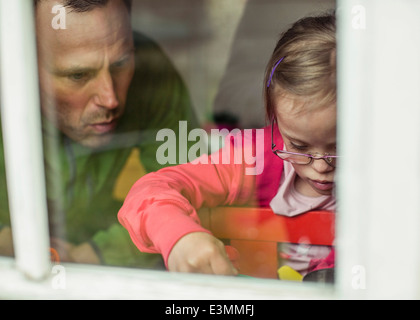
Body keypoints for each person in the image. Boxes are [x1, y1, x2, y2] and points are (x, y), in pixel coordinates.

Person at [118, 13, 337, 277]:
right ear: (275, 120)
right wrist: (178, 238)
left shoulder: (384, 179)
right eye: (299, 146)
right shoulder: (256, 158)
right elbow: (150, 191)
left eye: (339, 146)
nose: (321, 165)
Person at [0, 0, 199, 268]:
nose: (110, 98)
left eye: (121, 64)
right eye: (78, 74)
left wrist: (95, 253)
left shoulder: (150, 69)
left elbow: (192, 184)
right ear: (20, 61)